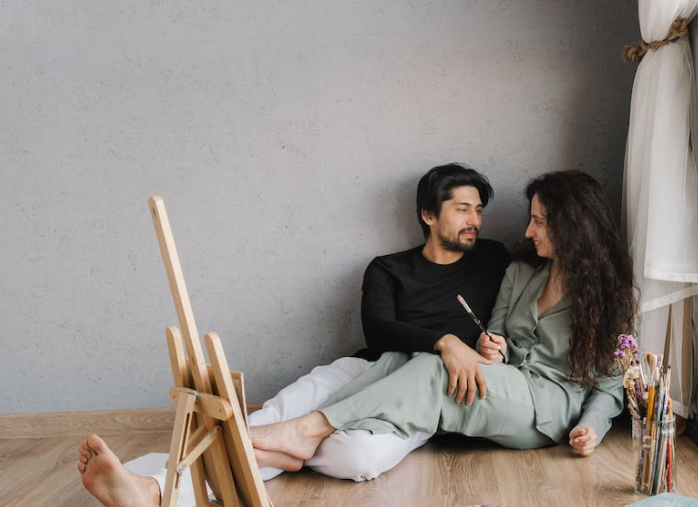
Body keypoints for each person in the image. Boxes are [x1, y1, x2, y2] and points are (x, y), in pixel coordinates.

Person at [78, 163, 510, 507]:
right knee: (274, 417)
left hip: (420, 393)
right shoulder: (387, 269)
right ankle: (154, 490)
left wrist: (496, 348)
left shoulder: (494, 260)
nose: (475, 219)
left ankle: (275, 449)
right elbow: (378, 331)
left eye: (478, 210)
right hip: (365, 369)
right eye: (462, 208)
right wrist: (445, 340)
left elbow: (520, 319)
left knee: (355, 458)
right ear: (429, 215)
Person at [249, 170, 636, 471]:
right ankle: (293, 442)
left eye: (539, 221)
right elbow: (496, 333)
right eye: (530, 219)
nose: (527, 230)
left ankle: (308, 429)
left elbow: (610, 383)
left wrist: (593, 428)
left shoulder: (603, 293)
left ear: (571, 225)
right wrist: (494, 348)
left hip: (548, 409)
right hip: (505, 380)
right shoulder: (521, 272)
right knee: (406, 359)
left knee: (435, 369)